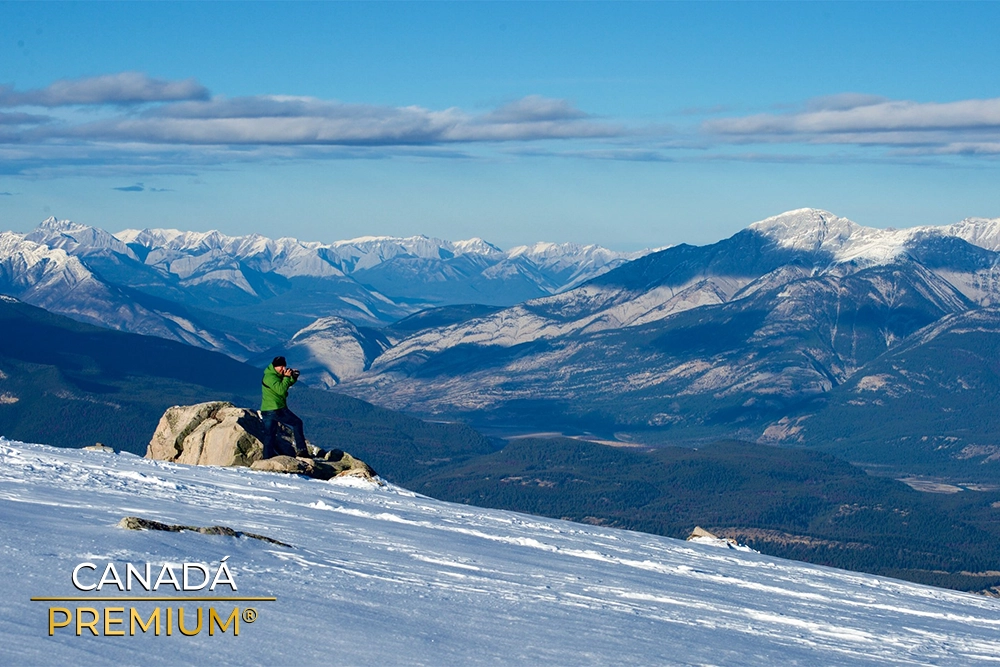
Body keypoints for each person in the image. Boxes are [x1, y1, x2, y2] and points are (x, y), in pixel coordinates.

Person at [260, 355, 308, 458]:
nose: (283, 369)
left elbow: (285, 385)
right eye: (280, 367)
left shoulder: (273, 374)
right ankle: (302, 450)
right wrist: (286, 377)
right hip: (276, 409)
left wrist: (293, 377)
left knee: (270, 435)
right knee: (297, 423)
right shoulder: (270, 377)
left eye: (284, 366)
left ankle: (267, 457)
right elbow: (281, 390)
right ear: (274, 366)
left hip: (267, 409)